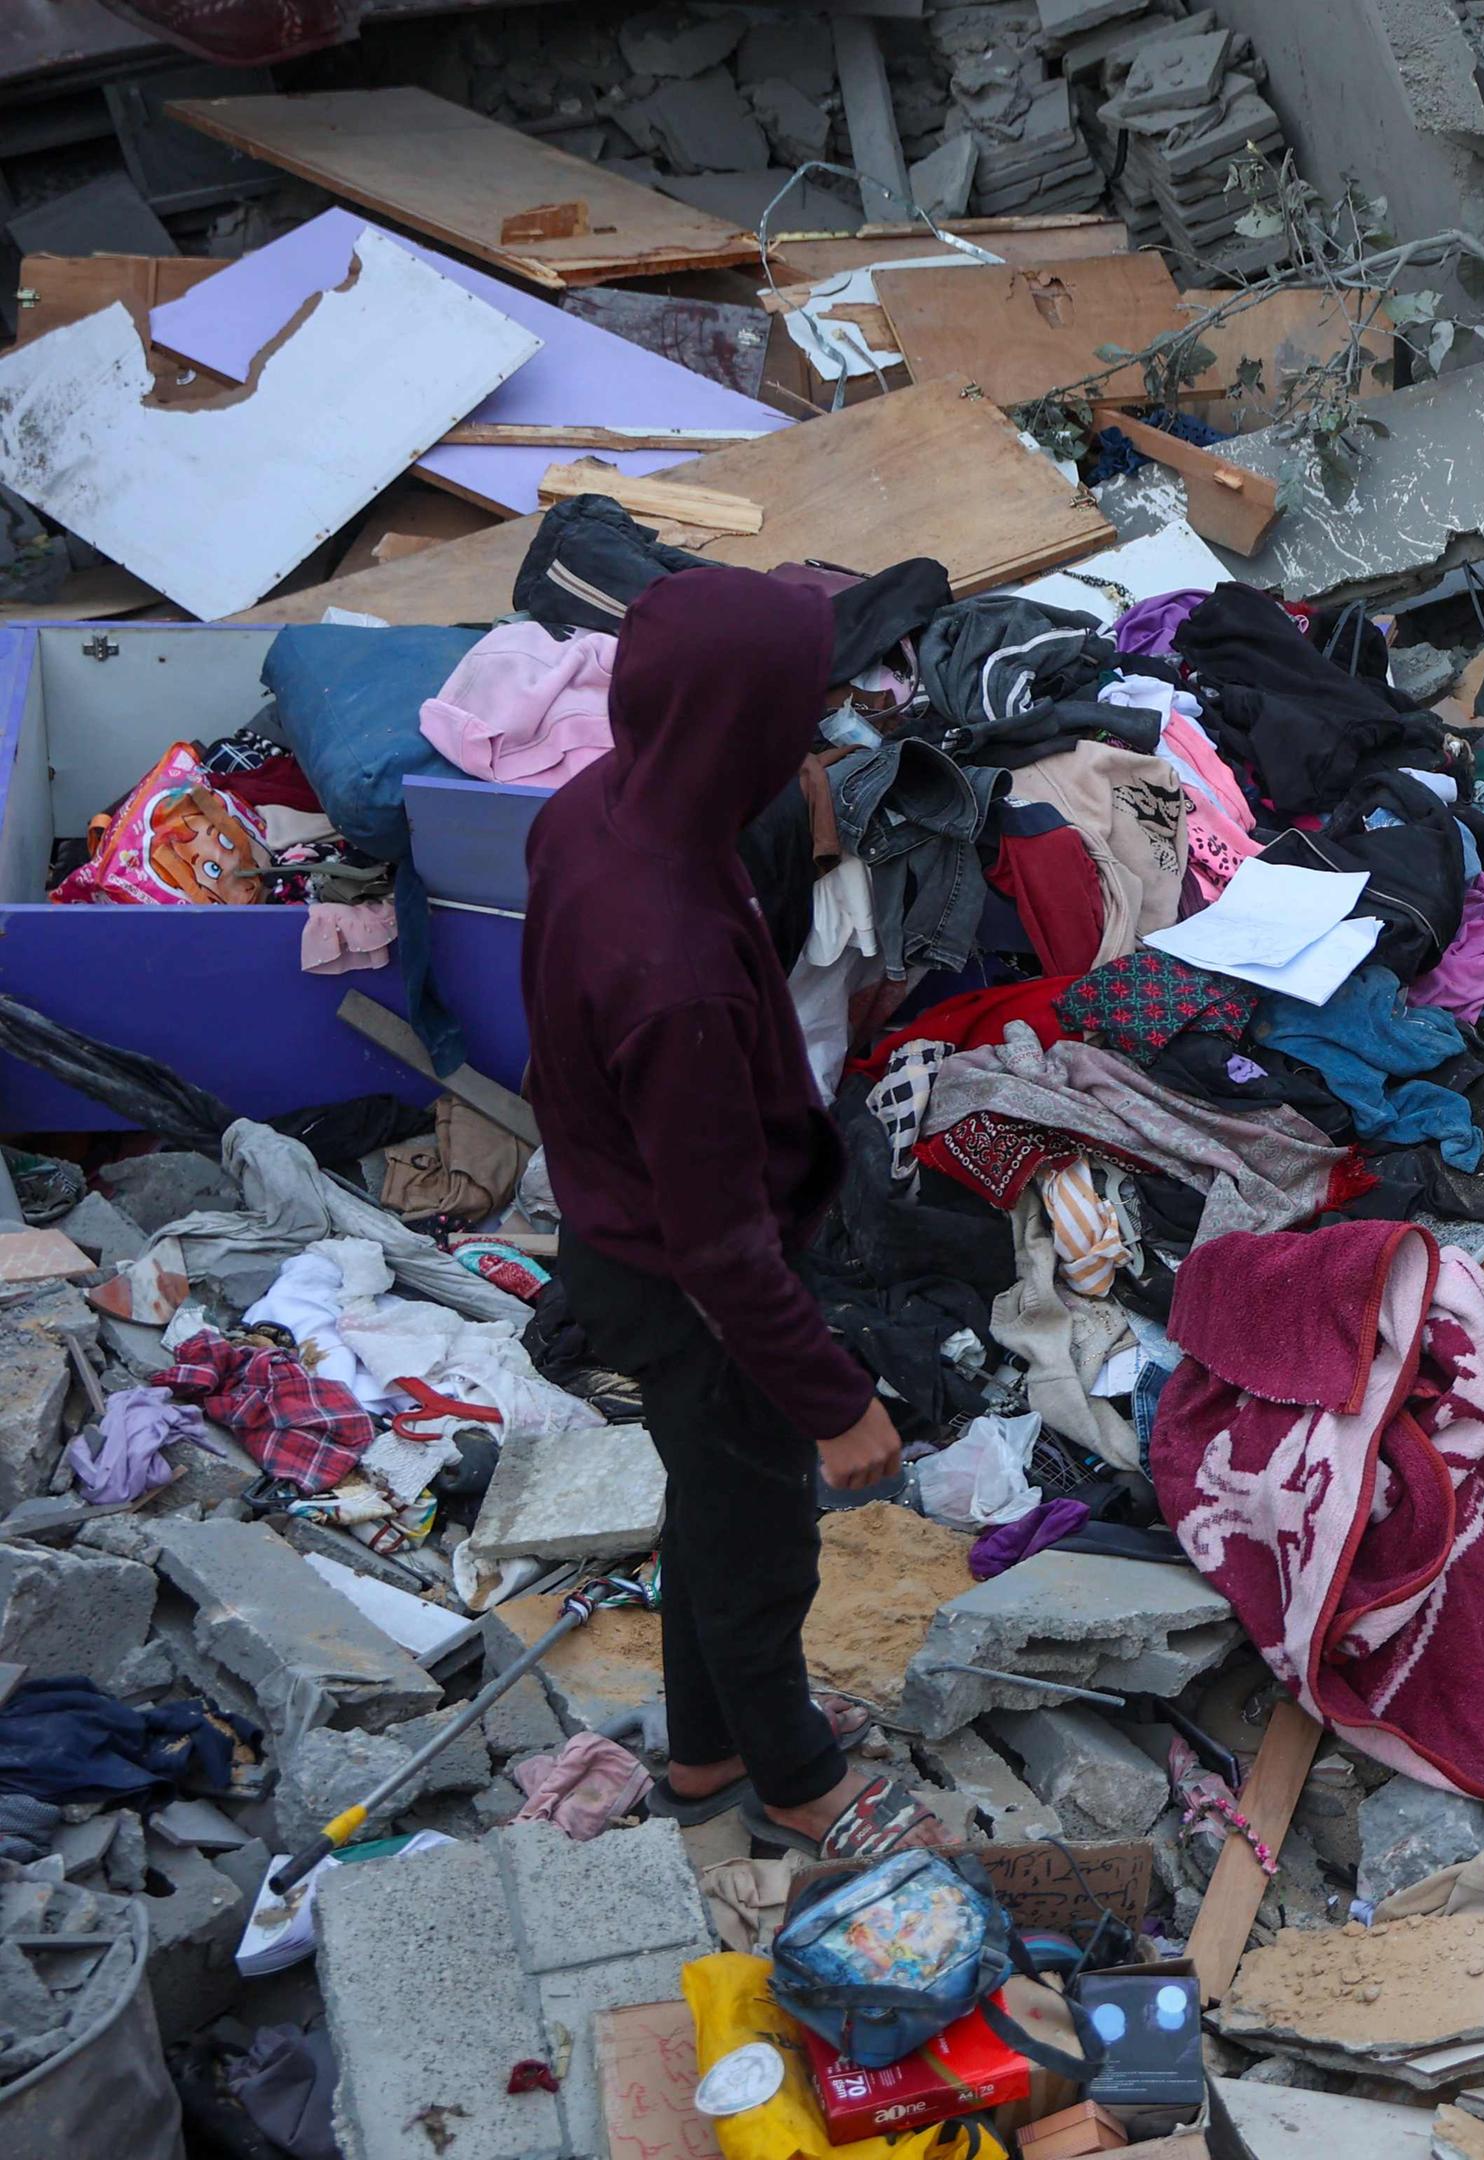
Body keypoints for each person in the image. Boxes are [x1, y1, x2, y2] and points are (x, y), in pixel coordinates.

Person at [521, 565, 946, 1858]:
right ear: (737, 724)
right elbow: (719, 1246)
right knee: (763, 1544)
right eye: (802, 709)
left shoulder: (594, 813)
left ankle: (704, 1754)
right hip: (684, 1282)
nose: (822, 728)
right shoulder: (679, 975)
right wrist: (835, 1399)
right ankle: (798, 1783)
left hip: (617, 1237)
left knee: (714, 1504)